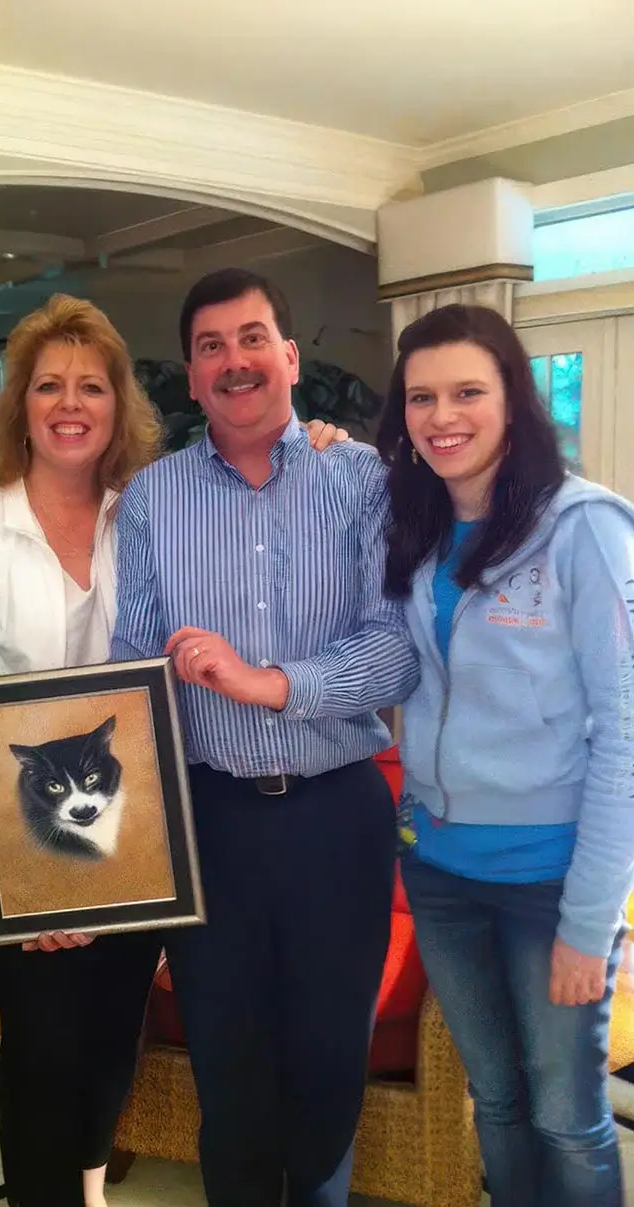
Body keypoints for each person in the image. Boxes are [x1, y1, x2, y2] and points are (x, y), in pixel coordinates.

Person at [0, 292, 346, 1207]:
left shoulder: (146, 512)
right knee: (44, 1051)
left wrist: (331, 446)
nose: (70, 404)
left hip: (131, 839)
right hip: (8, 841)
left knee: (114, 1040)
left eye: (91, 386)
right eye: (47, 386)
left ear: (120, 405)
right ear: (20, 405)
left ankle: (88, 1190)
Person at [110, 267, 420, 1207]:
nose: (233, 361)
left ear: (289, 355)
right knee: (228, 1061)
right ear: (193, 377)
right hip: (212, 823)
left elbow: (397, 649)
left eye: (252, 338)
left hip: (339, 816)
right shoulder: (153, 500)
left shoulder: (361, 477)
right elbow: (133, 661)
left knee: (331, 1062)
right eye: (210, 347)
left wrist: (268, 683)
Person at [377, 302, 634, 1207]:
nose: (443, 416)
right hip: (441, 871)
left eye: (467, 392)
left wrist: (590, 923)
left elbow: (625, 739)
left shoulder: (584, 527)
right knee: (497, 1099)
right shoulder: (412, 528)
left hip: (547, 882)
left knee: (567, 1114)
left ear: (513, 401)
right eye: (421, 398)